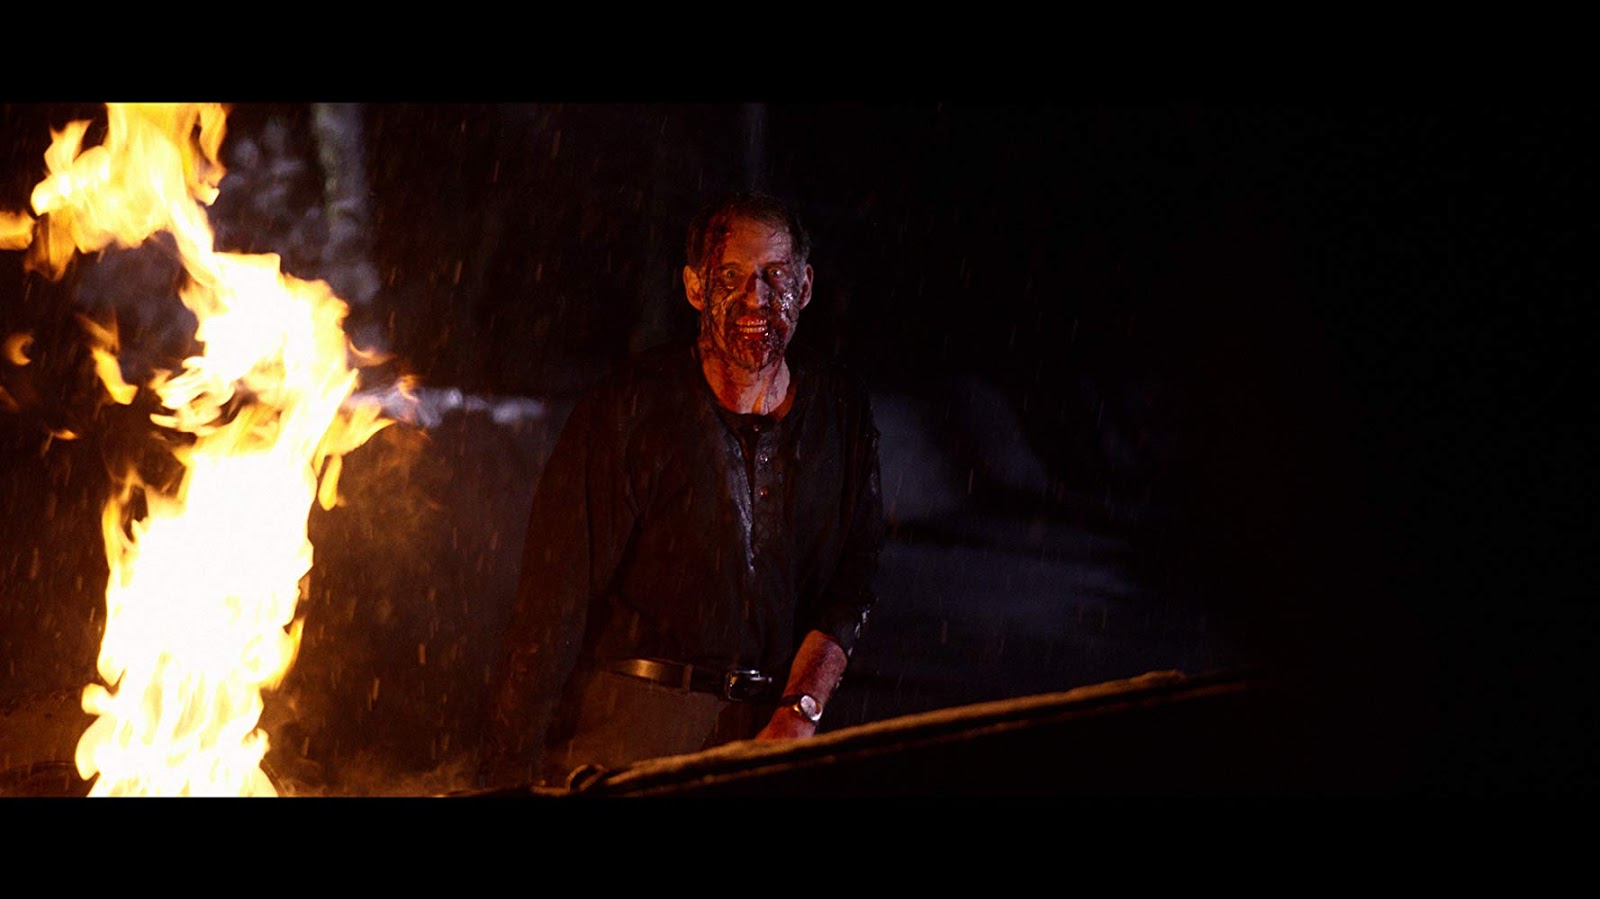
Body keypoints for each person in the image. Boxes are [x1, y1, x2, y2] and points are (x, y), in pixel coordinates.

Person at [479, 191, 884, 789]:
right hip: (637, 729)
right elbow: (553, 603)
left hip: (776, 733)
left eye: (776, 275)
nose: (757, 298)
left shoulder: (840, 415)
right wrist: (507, 770)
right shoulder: (629, 411)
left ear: (804, 287)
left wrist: (800, 710)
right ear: (696, 288)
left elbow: (855, 580)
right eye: (731, 277)